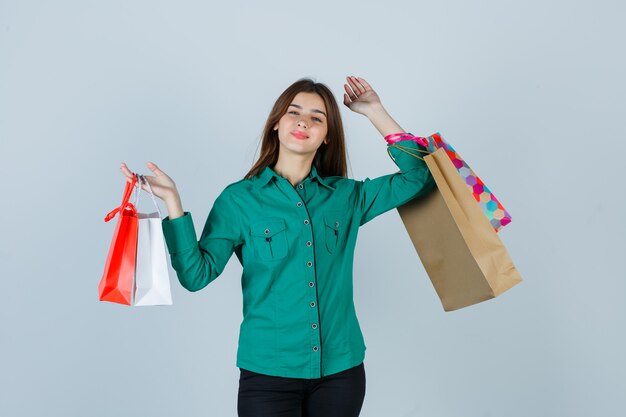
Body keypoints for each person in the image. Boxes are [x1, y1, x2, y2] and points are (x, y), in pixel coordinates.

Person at [120, 75, 435, 417]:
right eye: (294, 112)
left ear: (327, 136)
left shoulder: (347, 197)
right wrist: (172, 202)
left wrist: (375, 111)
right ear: (276, 124)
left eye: (317, 118)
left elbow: (420, 175)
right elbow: (196, 275)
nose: (303, 122)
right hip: (267, 375)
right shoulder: (238, 200)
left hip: (341, 372)